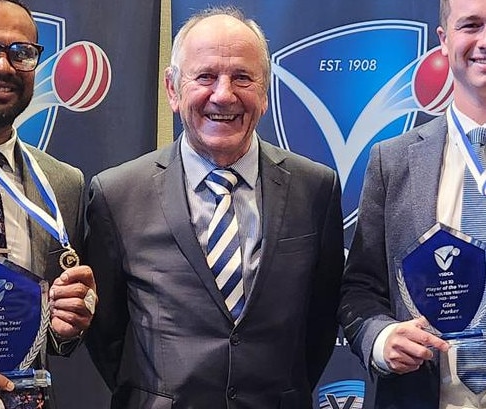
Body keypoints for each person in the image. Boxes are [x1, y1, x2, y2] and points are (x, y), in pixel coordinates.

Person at [85, 6, 344, 409]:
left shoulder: (316, 188)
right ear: (172, 89)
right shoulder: (117, 193)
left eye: (242, 77)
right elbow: (107, 334)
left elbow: (320, 322)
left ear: (264, 91)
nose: (223, 94)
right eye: (205, 76)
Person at [0, 0, 97, 408]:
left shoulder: (62, 183)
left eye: (21, 52)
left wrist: (68, 324)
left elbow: (56, 339)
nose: (3, 66)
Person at [337, 0, 486, 407]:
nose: (484, 41)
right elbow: (360, 289)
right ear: (444, 40)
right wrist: (382, 338)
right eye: (471, 25)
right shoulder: (393, 161)